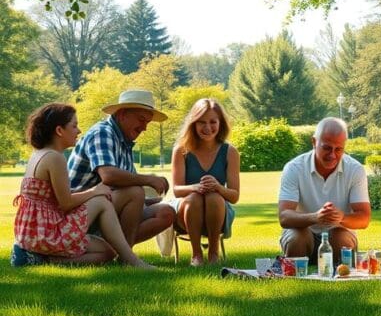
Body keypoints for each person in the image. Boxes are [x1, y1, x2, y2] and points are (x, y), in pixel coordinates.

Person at [12, 103, 155, 268]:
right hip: (47, 233)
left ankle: (44, 260)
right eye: (74, 126)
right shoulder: (54, 158)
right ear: (59, 131)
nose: (79, 131)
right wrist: (95, 191)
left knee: (108, 251)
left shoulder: (38, 154)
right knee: (101, 200)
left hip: (32, 233)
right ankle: (132, 261)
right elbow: (65, 203)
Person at [68, 89, 175, 247]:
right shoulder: (103, 133)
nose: (144, 128)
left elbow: (122, 187)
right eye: (141, 120)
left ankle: (113, 250)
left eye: (147, 122)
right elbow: (109, 176)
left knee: (166, 213)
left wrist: (147, 201)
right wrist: (149, 180)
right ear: (122, 114)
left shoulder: (123, 140)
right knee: (135, 192)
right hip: (78, 212)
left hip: (102, 209)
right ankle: (127, 256)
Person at [278, 117, 370, 264]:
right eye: (327, 148)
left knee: (341, 238)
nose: (332, 155)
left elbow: (364, 218)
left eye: (338, 149)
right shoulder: (294, 168)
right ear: (314, 142)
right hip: (304, 232)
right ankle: (295, 281)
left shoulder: (355, 169)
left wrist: (340, 218)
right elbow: (284, 216)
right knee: (296, 238)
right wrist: (315, 217)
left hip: (338, 233)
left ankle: (341, 277)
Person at [170, 98, 240, 266]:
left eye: (212, 122)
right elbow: (177, 190)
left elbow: (234, 196)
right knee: (194, 198)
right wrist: (196, 187)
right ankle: (196, 255)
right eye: (201, 122)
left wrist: (217, 187)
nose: (207, 128)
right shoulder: (181, 150)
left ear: (220, 123)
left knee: (214, 197)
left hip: (217, 211)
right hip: (186, 212)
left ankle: (214, 253)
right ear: (193, 123)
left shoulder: (230, 152)